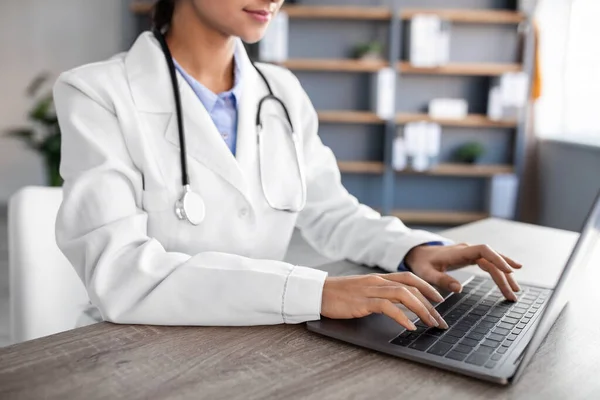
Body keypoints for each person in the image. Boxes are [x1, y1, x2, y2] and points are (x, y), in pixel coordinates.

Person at [53, 0, 522, 330]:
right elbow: (121, 273)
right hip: (138, 348)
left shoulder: (281, 92)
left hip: (261, 340)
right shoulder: (97, 93)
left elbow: (331, 213)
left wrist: (414, 248)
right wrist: (315, 292)